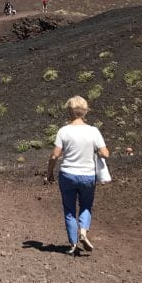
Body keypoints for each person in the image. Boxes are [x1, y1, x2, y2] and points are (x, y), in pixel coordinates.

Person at [47, 96, 110, 255]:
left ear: (69, 111)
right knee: (86, 205)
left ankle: (73, 244)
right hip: (88, 176)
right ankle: (83, 230)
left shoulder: (63, 131)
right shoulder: (93, 131)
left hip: (67, 174)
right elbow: (105, 153)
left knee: (69, 210)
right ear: (85, 111)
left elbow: (54, 156)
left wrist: (49, 173)